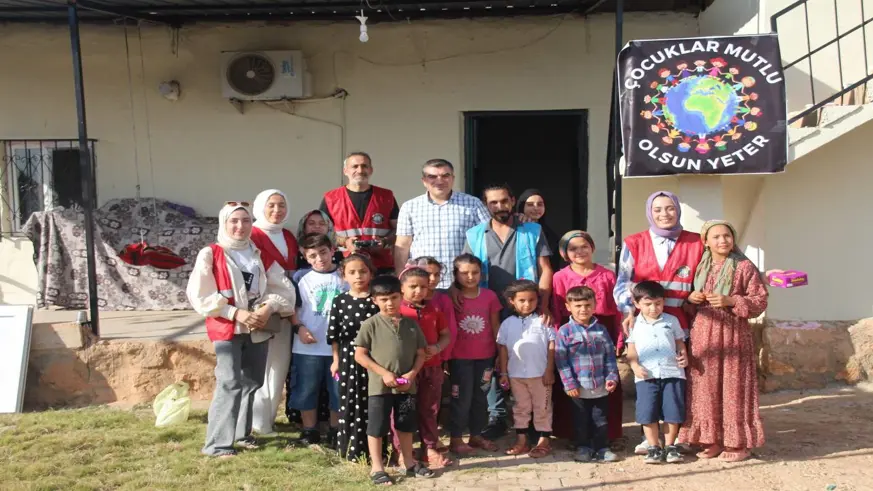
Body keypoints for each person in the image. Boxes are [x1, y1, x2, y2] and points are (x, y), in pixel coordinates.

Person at [187, 202, 296, 457]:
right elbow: (200, 294)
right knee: (230, 383)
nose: (240, 226)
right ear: (224, 223)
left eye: (246, 221)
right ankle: (217, 445)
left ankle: (241, 434)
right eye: (234, 221)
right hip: (228, 329)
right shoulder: (211, 253)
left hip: (258, 327)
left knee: (252, 381)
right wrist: (235, 313)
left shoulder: (259, 254)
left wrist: (268, 308)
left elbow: (283, 288)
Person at [613, 190, 703, 455]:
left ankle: (680, 436)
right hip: (644, 324)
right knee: (649, 381)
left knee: (680, 380)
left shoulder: (696, 242)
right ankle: (649, 438)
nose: (665, 214)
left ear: (678, 210)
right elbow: (623, 282)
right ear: (649, 213)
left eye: (670, 208)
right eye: (658, 209)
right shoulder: (634, 242)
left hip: (683, 321)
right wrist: (629, 310)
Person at [462, 184, 554, 439]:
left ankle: (535, 420)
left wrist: (543, 305)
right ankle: (497, 417)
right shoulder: (474, 235)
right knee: (493, 359)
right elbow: (467, 271)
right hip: (488, 308)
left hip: (527, 307)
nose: (500, 206)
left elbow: (546, 269)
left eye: (504, 201)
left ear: (513, 201)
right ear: (485, 205)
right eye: (493, 202)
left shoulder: (532, 230)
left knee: (531, 356)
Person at [680, 220, 768, 462]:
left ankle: (737, 443)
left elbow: (760, 301)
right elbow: (684, 301)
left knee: (733, 387)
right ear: (706, 241)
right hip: (703, 333)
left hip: (733, 334)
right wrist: (691, 298)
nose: (722, 241)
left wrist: (731, 301)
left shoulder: (744, 267)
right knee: (704, 387)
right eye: (716, 237)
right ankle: (711, 440)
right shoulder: (699, 267)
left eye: (727, 236)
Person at [354, 275, 435, 485]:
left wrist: (411, 375)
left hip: (407, 387)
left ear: (401, 296)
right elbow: (360, 355)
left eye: (394, 297)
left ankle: (409, 463)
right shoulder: (370, 325)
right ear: (374, 300)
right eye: (383, 299)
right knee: (377, 427)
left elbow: (421, 354)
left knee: (406, 426)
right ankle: (377, 468)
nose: (389, 303)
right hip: (379, 388)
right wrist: (384, 373)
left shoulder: (411, 325)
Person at [550, 231, 624, 444]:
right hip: (571, 333)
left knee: (608, 382)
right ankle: (572, 435)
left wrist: (619, 336)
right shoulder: (560, 277)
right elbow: (556, 309)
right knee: (571, 384)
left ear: (592, 247)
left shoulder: (607, 275)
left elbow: (617, 308)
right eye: (573, 248)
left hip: (602, 330)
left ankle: (608, 435)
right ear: (564, 253)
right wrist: (558, 337)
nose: (579, 251)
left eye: (584, 246)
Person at [249, 189, 301, 436]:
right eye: (271, 205)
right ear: (261, 206)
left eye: (281, 205)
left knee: (279, 365)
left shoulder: (288, 235)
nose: (277, 210)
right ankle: (256, 420)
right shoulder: (253, 234)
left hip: (286, 308)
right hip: (265, 307)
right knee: (262, 364)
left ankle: (267, 419)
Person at [394, 159, 490, 288]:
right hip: (422, 285)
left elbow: (488, 237)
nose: (439, 181)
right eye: (432, 177)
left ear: (453, 178)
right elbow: (402, 245)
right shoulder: (409, 207)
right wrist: (401, 278)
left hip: (462, 282)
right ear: (424, 181)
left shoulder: (473, 204)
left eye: (445, 176)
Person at [288, 234, 347, 446]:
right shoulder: (300, 277)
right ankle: (309, 430)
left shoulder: (345, 274)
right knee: (306, 389)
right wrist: (299, 328)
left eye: (323, 252)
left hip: (338, 349)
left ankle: (335, 430)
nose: (319, 259)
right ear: (305, 257)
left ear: (332, 250)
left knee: (338, 391)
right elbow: (291, 308)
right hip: (307, 347)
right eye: (312, 255)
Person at [394, 265, 452, 468]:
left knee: (430, 409)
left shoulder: (434, 310)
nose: (418, 291)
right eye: (413, 286)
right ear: (402, 288)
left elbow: (445, 335)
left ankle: (430, 447)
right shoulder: (396, 310)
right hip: (405, 370)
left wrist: (437, 348)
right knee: (403, 409)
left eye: (423, 287)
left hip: (431, 367)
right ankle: (403, 451)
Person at [626, 281, 689, 465]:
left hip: (672, 373)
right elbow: (631, 349)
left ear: (663, 302)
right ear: (637, 303)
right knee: (647, 412)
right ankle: (654, 447)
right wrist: (634, 366)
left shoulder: (671, 320)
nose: (653, 308)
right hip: (646, 375)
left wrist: (684, 356)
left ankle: (670, 446)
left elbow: (679, 342)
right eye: (648, 304)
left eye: (658, 303)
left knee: (672, 411)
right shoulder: (634, 323)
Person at [555, 286, 620, 463]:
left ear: (594, 305)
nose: (583, 309)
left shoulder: (601, 330)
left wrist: (612, 377)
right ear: (568, 307)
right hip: (578, 387)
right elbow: (561, 361)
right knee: (580, 419)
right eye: (578, 306)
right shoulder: (564, 331)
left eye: (587, 305)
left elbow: (610, 356)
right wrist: (569, 384)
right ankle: (583, 447)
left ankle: (602, 448)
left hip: (600, 385)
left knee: (601, 419)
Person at [327, 254, 380, 462]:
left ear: (371, 274)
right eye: (352, 272)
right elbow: (334, 335)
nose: (358, 276)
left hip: (374, 357)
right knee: (349, 401)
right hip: (348, 358)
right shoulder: (339, 301)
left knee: (374, 401)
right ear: (344, 276)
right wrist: (335, 360)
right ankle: (351, 449)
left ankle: (377, 449)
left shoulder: (377, 300)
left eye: (363, 271)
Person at [447, 254, 502, 454]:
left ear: (481, 274)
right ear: (455, 274)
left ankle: (476, 435)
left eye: (475, 272)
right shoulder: (449, 297)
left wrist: (499, 353)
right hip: (459, 358)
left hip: (485, 356)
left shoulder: (490, 296)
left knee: (481, 397)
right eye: (464, 273)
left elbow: (495, 326)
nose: (470, 277)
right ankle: (456, 438)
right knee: (461, 398)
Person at [496, 280, 555, 458]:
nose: (527, 304)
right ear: (512, 301)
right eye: (522, 300)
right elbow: (503, 349)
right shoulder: (507, 323)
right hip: (515, 375)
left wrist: (549, 370)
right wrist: (504, 373)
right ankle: (521, 440)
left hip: (540, 375)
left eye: (531, 300)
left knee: (542, 407)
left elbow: (551, 346)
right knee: (520, 408)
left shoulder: (543, 321)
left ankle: (544, 441)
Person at [321, 152, 400, 275]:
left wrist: (385, 241)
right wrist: (344, 242)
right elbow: (321, 233)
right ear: (345, 171)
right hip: (345, 266)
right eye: (355, 166)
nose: (360, 170)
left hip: (381, 266)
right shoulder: (331, 198)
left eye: (364, 166)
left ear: (371, 170)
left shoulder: (386, 196)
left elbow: (400, 231)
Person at [517, 189, 561, 272]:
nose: (536, 208)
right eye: (530, 204)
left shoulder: (550, 235)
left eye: (540, 204)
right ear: (522, 206)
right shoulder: (513, 227)